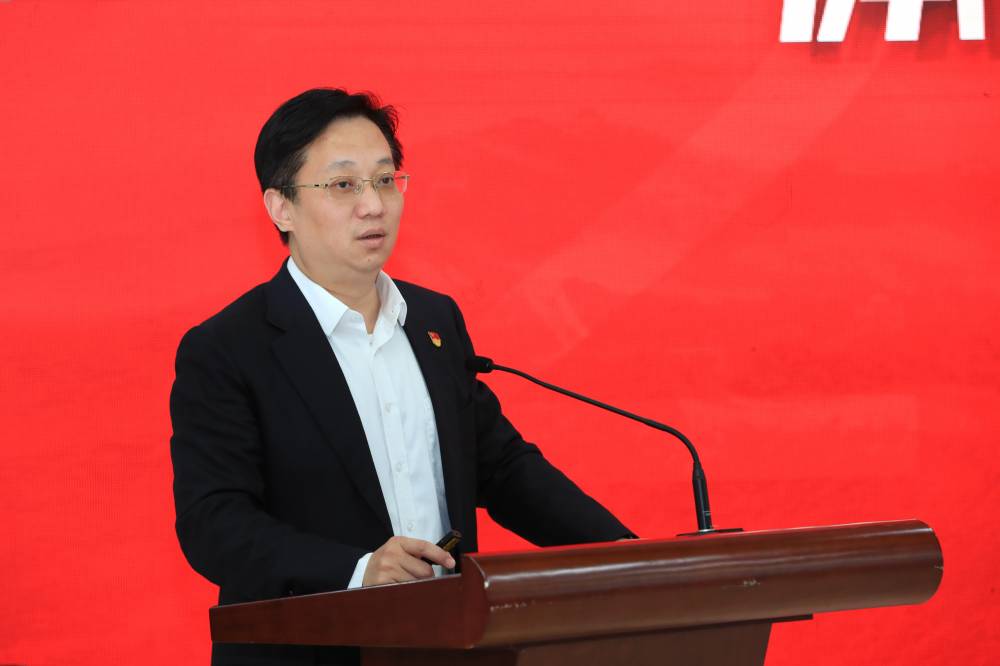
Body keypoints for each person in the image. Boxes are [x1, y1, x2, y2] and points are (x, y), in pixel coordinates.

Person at [169, 88, 632, 666]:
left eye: (386, 180)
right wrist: (359, 570)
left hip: (448, 646)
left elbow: (504, 469)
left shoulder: (434, 322)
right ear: (280, 207)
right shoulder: (228, 348)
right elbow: (214, 524)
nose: (374, 205)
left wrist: (624, 557)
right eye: (344, 185)